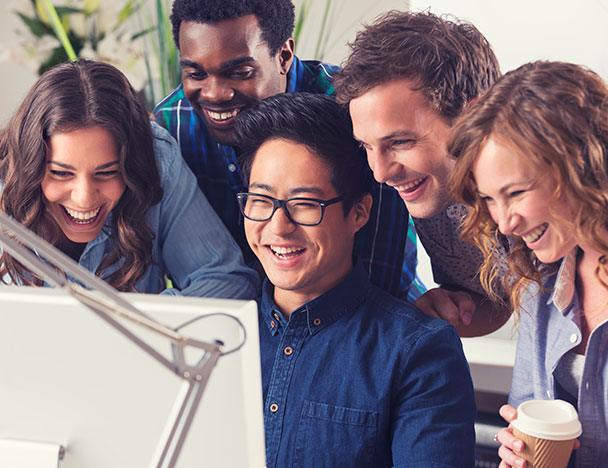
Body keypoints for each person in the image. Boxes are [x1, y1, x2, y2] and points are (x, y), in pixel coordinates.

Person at [235, 92, 476, 467]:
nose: (278, 227)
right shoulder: (214, 335)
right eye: (261, 201)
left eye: (304, 204)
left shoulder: (418, 352)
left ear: (359, 212)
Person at [152, 0, 419, 301]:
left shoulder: (354, 110)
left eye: (240, 72)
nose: (215, 94)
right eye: (196, 74)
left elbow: (382, 269)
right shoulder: (171, 126)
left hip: (365, 317)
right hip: (236, 325)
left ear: (284, 55)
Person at [0, 59, 259, 299]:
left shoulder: (157, 162)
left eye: (106, 172)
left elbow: (229, 281)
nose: (84, 197)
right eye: (61, 173)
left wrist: (134, 320)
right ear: (30, 165)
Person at [448, 61, 608, 468]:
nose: (504, 222)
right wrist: (520, 456)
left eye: (516, 192)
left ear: (581, 166)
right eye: (488, 199)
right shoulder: (541, 289)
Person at [334, 10, 510, 336]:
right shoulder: (436, 192)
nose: (381, 173)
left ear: (473, 117)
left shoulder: (564, 182)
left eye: (400, 142)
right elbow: (499, 298)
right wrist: (455, 308)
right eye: (367, 147)